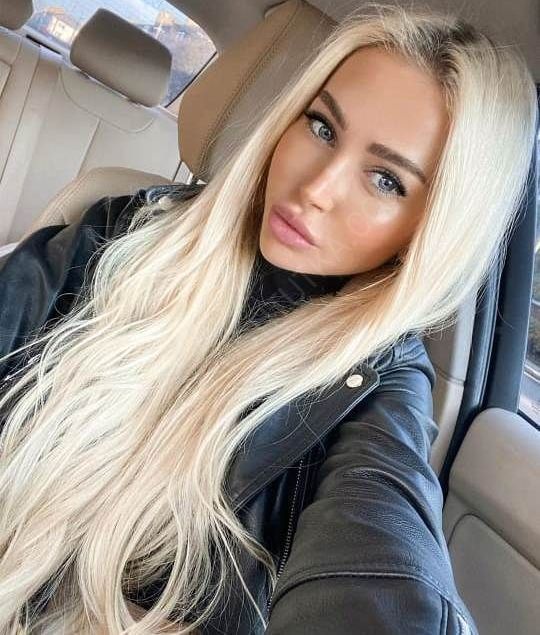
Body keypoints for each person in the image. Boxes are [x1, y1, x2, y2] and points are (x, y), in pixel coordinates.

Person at [0, 3, 536, 634]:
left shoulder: (377, 386)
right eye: (323, 127)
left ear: (432, 228)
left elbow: (384, 554)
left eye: (387, 180)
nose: (317, 188)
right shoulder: (128, 230)